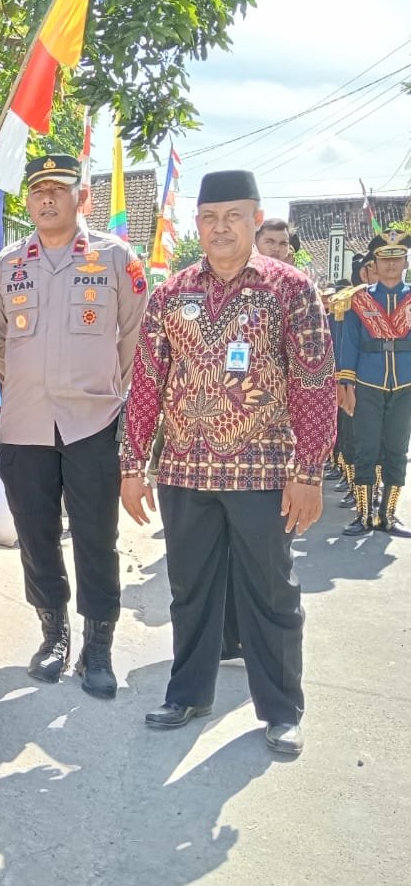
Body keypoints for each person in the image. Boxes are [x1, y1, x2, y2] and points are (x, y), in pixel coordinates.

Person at [121, 169, 334, 756]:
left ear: (256, 219)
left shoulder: (291, 290)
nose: (221, 228)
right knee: (189, 588)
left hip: (263, 470)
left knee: (270, 590)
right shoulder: (170, 295)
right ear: (197, 224)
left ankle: (282, 709)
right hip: (185, 470)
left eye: (234, 217)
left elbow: (314, 385)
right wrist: (133, 462)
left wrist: (309, 472)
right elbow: (147, 383)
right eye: (210, 218)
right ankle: (188, 692)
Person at [0, 154, 147, 698]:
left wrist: (100, 385)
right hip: (26, 424)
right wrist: (34, 380)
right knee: (36, 534)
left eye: (59, 188)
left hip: (92, 423)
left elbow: (134, 337)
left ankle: (98, 646)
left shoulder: (115, 258)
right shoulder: (7, 265)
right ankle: (54, 634)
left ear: (83, 198)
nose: (47, 198)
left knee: (97, 538)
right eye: (38, 191)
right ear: (27, 201)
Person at [337, 229, 411, 537]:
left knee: (396, 449)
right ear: (375, 263)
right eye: (385, 259)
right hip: (367, 382)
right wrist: (345, 384)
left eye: (397, 259)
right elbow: (349, 344)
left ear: (406, 261)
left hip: (406, 384)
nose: (391, 265)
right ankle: (364, 515)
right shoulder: (358, 301)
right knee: (366, 448)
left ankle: (388, 515)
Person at [328, 255, 370, 506]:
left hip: (388, 383)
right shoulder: (347, 304)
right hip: (351, 381)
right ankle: (358, 491)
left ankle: (379, 503)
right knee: (350, 437)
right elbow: (340, 344)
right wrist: (342, 381)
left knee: (386, 447)